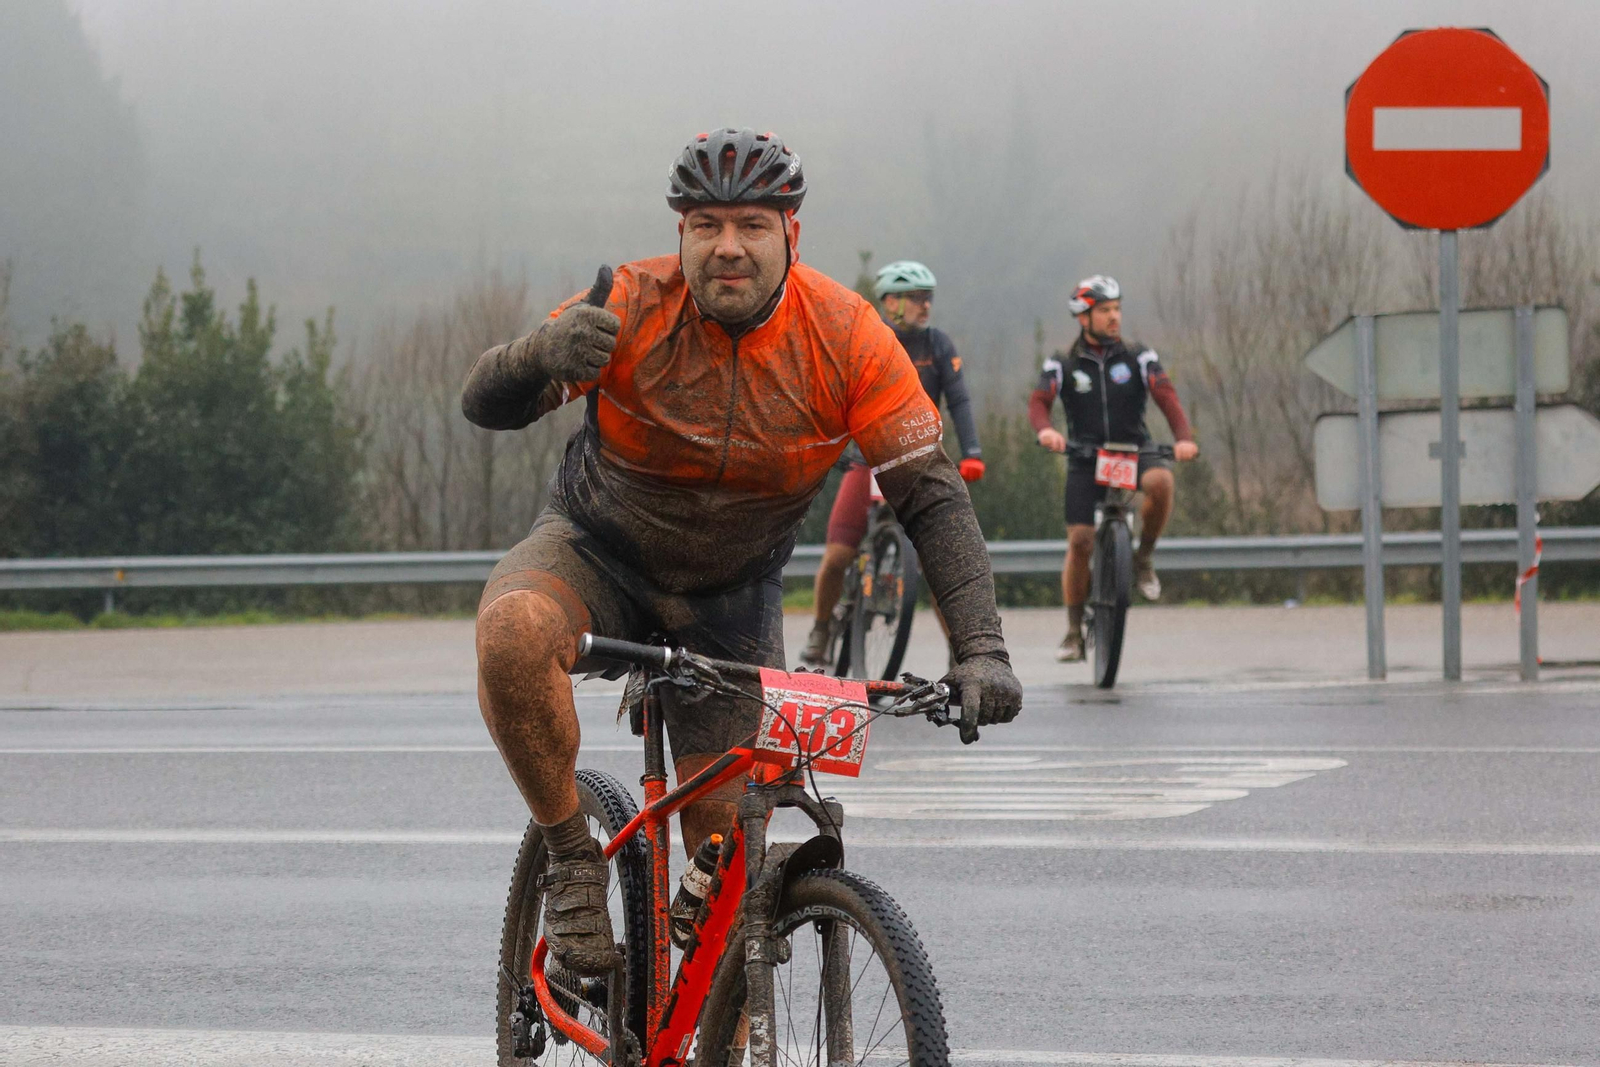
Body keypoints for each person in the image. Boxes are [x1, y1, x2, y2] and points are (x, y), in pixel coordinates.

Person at [461, 128, 1022, 976]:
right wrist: (538, 354)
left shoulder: (849, 337)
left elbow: (931, 495)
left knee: (728, 883)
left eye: (753, 225)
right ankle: (572, 856)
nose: (728, 246)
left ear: (791, 234)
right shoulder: (627, 302)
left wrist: (981, 648)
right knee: (509, 633)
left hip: (732, 597)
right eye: (706, 224)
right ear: (680, 233)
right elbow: (485, 403)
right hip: (597, 550)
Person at [800, 259, 984, 666]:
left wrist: (972, 453)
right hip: (865, 459)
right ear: (890, 303)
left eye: (928, 298)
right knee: (837, 556)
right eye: (916, 299)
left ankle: (962, 652)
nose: (925, 306)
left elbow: (959, 400)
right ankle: (821, 626)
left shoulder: (938, 345)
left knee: (940, 563)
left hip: (915, 461)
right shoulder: (866, 339)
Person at [1028, 275, 1198, 663]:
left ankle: (1143, 558)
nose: (1114, 317)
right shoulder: (1063, 362)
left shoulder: (1139, 356)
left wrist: (1183, 437)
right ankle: (1073, 631)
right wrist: (1047, 431)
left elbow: (1165, 394)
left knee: (1161, 481)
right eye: (1105, 310)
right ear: (1083, 317)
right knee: (1081, 542)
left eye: (1117, 309)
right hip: (1086, 456)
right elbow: (1039, 402)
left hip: (1133, 452)